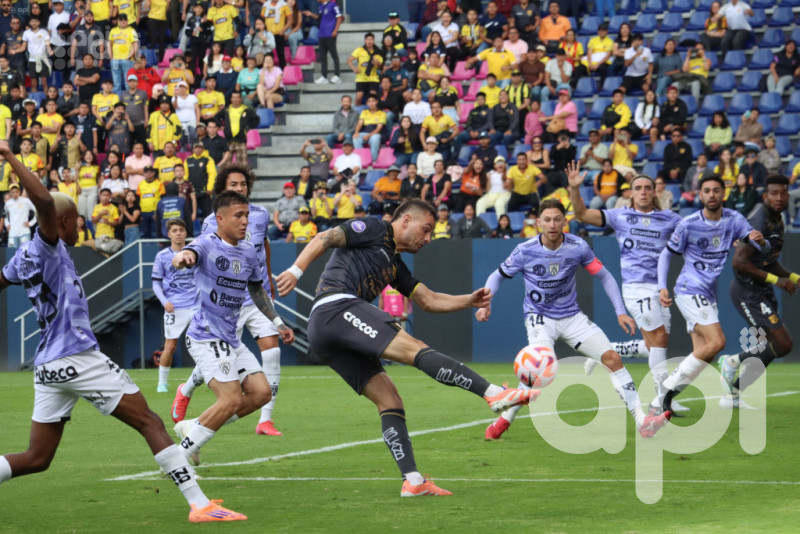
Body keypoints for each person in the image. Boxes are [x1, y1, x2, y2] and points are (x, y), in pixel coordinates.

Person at [0, 141, 247, 523]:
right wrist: (10, 156)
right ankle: (200, 505)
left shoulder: (21, 258)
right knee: (150, 421)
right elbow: (47, 204)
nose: (78, 227)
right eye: (75, 223)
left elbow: (3, 279)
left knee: (37, 458)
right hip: (77, 356)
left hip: (47, 364)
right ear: (63, 223)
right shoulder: (48, 246)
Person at [274, 199, 537, 497]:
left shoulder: (394, 264)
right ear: (406, 220)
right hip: (336, 308)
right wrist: (296, 270)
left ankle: (412, 481)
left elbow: (428, 300)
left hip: (327, 332)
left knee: (390, 400)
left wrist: (469, 300)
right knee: (414, 347)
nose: (427, 239)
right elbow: (325, 237)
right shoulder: (374, 227)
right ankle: (493, 394)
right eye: (426, 230)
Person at [478, 197, 671, 440]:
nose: (552, 225)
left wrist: (620, 311)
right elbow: (497, 276)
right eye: (547, 220)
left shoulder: (577, 246)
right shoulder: (525, 251)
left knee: (612, 358)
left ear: (565, 221)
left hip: (572, 317)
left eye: (557, 219)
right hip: (540, 319)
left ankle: (643, 422)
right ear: (538, 223)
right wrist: (486, 303)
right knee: (537, 372)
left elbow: (605, 277)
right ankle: (503, 421)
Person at [170, 188, 293, 465]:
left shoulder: (249, 251)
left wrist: (277, 322)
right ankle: (178, 458)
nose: (245, 221)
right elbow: (187, 254)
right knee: (230, 400)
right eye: (238, 215)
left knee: (261, 393)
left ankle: (194, 425)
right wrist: (182, 258)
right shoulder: (207, 243)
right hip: (205, 336)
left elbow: (257, 290)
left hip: (230, 340)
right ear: (220, 218)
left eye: (247, 215)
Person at [569, 166, 690, 412]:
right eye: (638, 189)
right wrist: (573, 187)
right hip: (636, 288)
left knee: (656, 344)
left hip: (659, 288)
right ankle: (662, 400)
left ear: (654, 191)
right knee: (657, 340)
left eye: (648, 188)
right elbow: (580, 214)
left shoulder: (669, 218)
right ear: (631, 193)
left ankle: (609, 350)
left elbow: (695, 233)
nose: (643, 192)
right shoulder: (619, 216)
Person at [654, 175, 766, 417]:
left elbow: (753, 241)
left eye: (716, 190)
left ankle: (663, 401)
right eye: (707, 191)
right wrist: (662, 286)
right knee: (718, 342)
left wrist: (760, 241)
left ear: (723, 194)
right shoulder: (689, 223)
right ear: (700, 195)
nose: (712, 195)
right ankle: (663, 393)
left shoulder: (733, 219)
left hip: (708, 294)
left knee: (705, 353)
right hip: (688, 289)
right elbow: (666, 254)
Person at [718, 176, 795, 406]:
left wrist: (793, 277)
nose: (779, 198)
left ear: (788, 196)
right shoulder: (758, 222)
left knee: (771, 348)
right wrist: (777, 280)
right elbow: (739, 262)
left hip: (762, 290)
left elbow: (769, 260)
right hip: (747, 292)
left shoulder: (777, 220)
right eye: (774, 193)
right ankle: (732, 362)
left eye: (783, 193)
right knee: (783, 344)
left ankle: (732, 395)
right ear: (765, 196)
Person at [152, 218, 196, 392]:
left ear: (186, 233)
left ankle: (209, 378)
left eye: (181, 230)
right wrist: (165, 302)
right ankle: (162, 383)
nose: (178, 233)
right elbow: (156, 283)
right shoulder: (162, 256)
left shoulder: (194, 252)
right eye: (175, 230)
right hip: (175, 307)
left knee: (205, 342)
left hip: (196, 306)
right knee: (170, 346)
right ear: (169, 234)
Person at [349, 32, 384, 105]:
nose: (369, 41)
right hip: (361, 78)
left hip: (373, 78)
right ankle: (357, 112)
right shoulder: (359, 49)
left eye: (371, 39)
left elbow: (381, 66)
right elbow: (349, 60)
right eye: (368, 39)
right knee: (359, 97)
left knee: (373, 97)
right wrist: (353, 68)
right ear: (365, 41)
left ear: (374, 41)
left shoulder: (378, 52)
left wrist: (377, 63)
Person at [353, 95, 387, 163]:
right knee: (356, 137)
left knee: (375, 138)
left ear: (376, 102)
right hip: (365, 131)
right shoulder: (364, 112)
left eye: (373, 101)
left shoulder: (382, 113)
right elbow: (360, 123)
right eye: (369, 102)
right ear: (367, 103)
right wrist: (356, 132)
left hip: (376, 133)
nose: (371, 103)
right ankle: (361, 159)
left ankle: (373, 160)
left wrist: (369, 136)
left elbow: (379, 128)